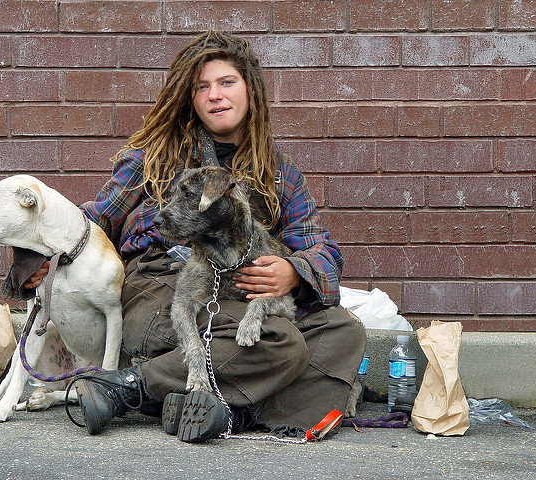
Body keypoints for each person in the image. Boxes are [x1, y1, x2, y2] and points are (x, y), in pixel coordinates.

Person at [25, 31, 366, 442]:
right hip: (160, 289)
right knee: (280, 343)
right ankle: (125, 386)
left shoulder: (280, 173)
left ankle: (216, 411)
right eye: (202, 87)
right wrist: (34, 260)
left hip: (236, 295)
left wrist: (294, 271)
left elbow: (322, 250)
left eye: (226, 82)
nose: (215, 95)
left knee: (343, 331)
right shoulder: (156, 155)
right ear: (190, 98)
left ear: (250, 89)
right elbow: (93, 220)